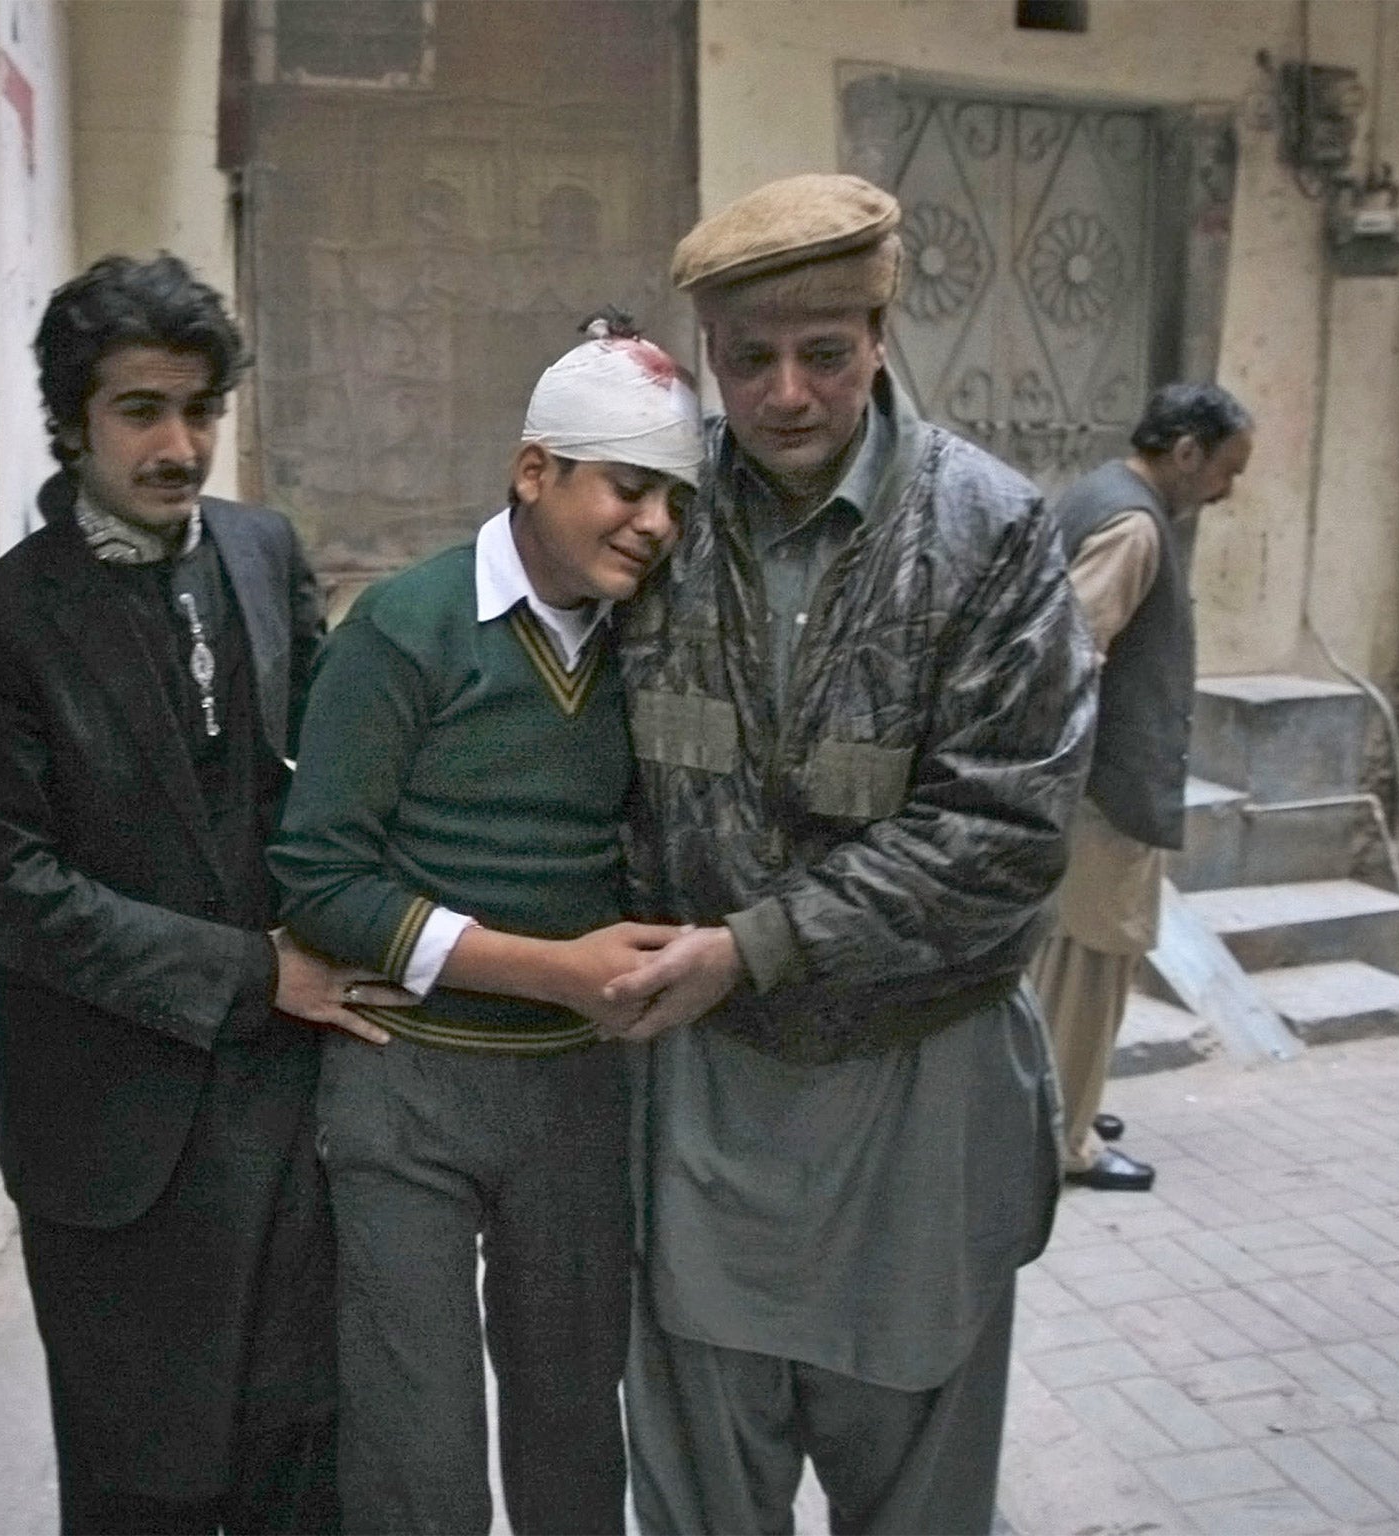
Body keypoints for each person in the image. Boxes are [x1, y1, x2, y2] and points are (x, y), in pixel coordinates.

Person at [602, 174, 1098, 1536]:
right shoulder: (647, 512)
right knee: (703, 1487)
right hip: (704, 1103)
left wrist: (754, 945)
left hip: (916, 1101)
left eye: (824, 353)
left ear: (881, 334)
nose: (786, 394)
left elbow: (1005, 833)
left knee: (918, 1492)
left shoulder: (992, 530)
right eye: (746, 359)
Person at [0, 253, 411, 1535]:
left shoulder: (260, 550)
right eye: (141, 410)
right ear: (71, 419)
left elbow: (323, 774)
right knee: (145, 1479)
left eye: (200, 410)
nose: (179, 443)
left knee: (302, 1454)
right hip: (115, 1128)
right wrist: (259, 973)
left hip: (286, 1110)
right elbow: (11, 891)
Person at [268, 318, 703, 1534]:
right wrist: (546, 968)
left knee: (572, 1432)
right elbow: (319, 877)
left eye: (672, 499)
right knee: (420, 1456)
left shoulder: (655, 645)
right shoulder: (403, 628)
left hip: (572, 1099)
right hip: (404, 1090)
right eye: (627, 487)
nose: (653, 525)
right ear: (534, 471)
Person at [1031, 383, 1254, 1193]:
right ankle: (1065, 1139)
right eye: (1225, 470)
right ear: (1186, 450)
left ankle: (1063, 1108)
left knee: (1065, 973)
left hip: (1089, 789)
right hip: (1102, 797)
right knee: (1091, 971)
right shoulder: (1132, 524)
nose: (1227, 490)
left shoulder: (1103, 493)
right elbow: (1067, 655)